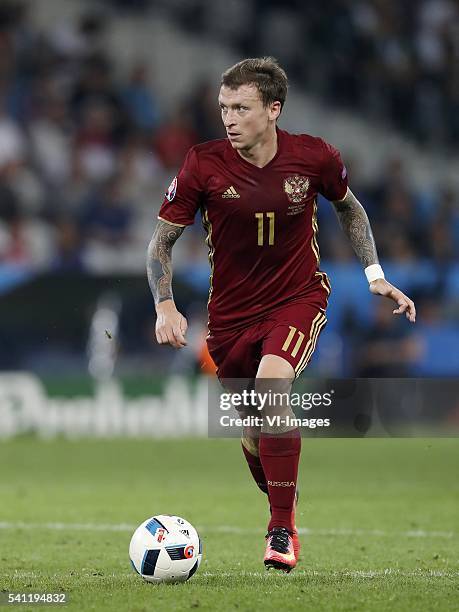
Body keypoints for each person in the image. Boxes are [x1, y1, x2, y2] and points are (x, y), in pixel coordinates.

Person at [146, 57, 416, 573]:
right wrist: (164, 303)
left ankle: (280, 528)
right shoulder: (202, 164)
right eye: (223, 107)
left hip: (297, 298)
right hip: (229, 317)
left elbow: (349, 208)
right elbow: (161, 243)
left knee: (273, 389)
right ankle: (283, 507)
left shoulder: (314, 157)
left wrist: (374, 274)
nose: (229, 118)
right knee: (252, 429)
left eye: (241, 108)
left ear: (273, 109)